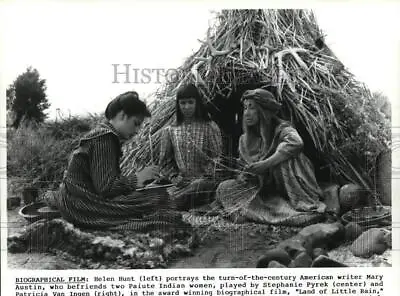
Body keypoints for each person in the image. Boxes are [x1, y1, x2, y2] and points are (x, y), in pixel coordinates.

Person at [45, 91, 185, 230]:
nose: (137, 131)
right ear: (122, 115)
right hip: (82, 207)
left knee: (153, 197)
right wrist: (138, 178)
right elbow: (107, 188)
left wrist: (138, 183)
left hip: (76, 201)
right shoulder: (105, 139)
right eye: (136, 123)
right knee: (158, 198)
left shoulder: (102, 134)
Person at [215, 88, 326, 226]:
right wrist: (248, 173)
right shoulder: (244, 140)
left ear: (264, 111)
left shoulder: (281, 129)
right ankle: (260, 211)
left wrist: (266, 164)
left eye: (252, 108)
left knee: (285, 159)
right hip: (265, 190)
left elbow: (296, 143)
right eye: (245, 108)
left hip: (291, 188)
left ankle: (299, 209)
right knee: (224, 187)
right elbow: (243, 174)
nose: (247, 113)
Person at [158, 83, 223, 211]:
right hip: (181, 184)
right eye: (183, 103)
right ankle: (178, 201)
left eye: (190, 102)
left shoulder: (209, 127)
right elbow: (165, 162)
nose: (186, 107)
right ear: (178, 104)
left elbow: (217, 159)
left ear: (197, 103)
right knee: (153, 191)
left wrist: (204, 176)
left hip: (204, 183)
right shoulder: (171, 130)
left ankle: (174, 203)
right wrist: (174, 177)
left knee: (199, 187)